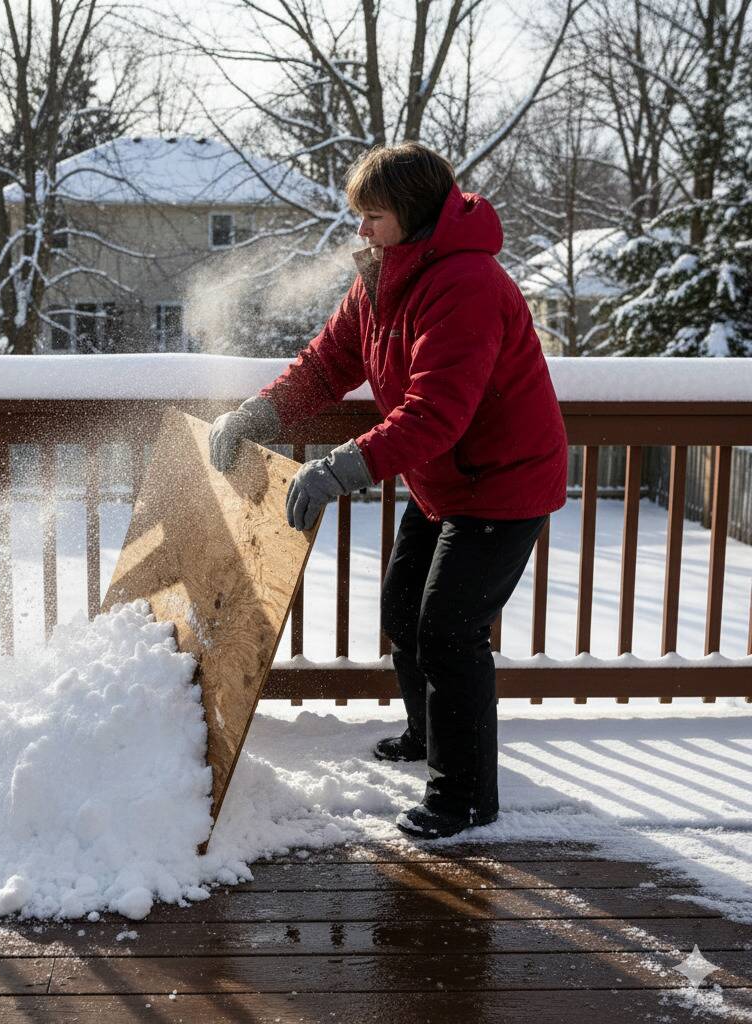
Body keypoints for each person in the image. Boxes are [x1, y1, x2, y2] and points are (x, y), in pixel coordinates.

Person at [208, 142, 568, 840]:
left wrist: (337, 469)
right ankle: (431, 738)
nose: (361, 229)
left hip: (502, 482)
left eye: (372, 215)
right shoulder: (381, 278)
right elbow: (326, 365)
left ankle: (463, 797)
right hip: (443, 478)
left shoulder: (466, 283)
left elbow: (436, 412)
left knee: (449, 629)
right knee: (405, 611)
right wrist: (257, 417)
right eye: (358, 215)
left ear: (415, 213)